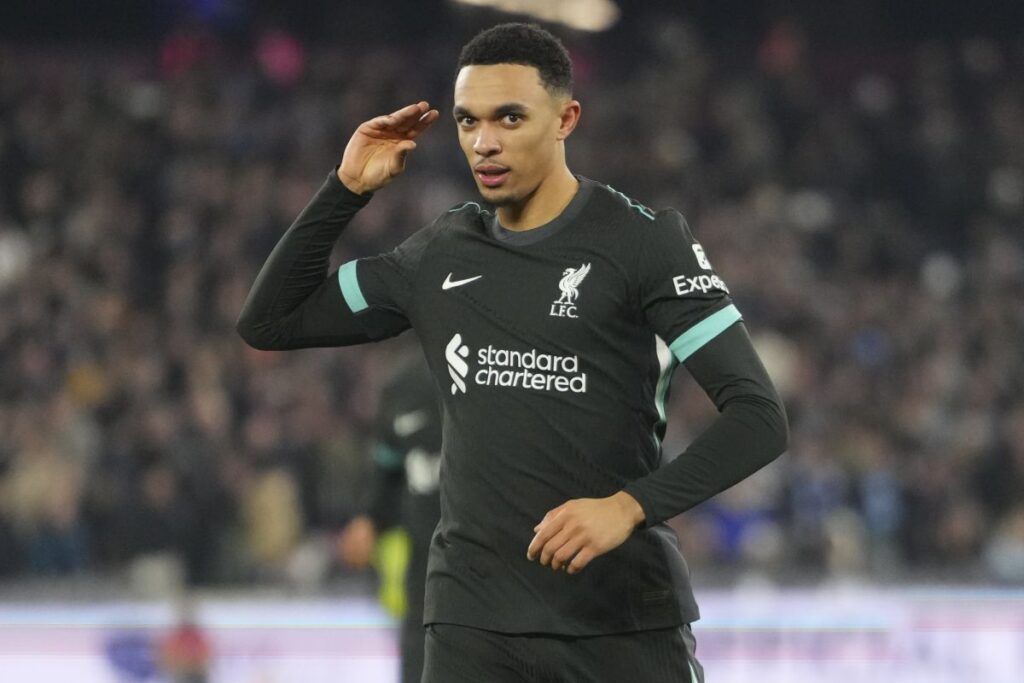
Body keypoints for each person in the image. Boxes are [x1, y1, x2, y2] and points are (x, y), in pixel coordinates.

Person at [237, 22, 788, 683]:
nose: (484, 142)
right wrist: (346, 187)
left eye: (509, 118)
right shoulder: (439, 254)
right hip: (473, 628)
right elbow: (269, 319)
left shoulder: (644, 243)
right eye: (468, 122)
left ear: (566, 118)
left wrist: (627, 506)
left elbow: (758, 417)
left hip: (619, 622)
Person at [338, 349, 442, 683]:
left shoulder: (500, 373)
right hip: (425, 579)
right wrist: (368, 519)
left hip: (496, 571)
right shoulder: (402, 388)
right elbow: (387, 471)